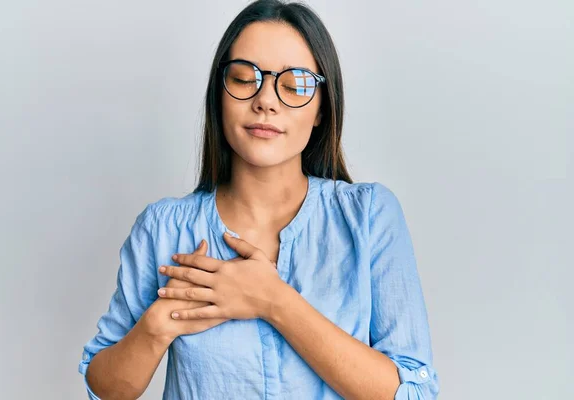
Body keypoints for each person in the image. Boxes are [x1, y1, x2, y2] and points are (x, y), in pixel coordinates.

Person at [78, 1, 440, 399]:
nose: (265, 100)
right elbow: (104, 388)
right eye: (244, 78)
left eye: (294, 84)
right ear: (220, 93)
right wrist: (157, 326)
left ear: (322, 108)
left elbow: (414, 391)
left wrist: (274, 301)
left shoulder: (369, 216)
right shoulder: (162, 229)